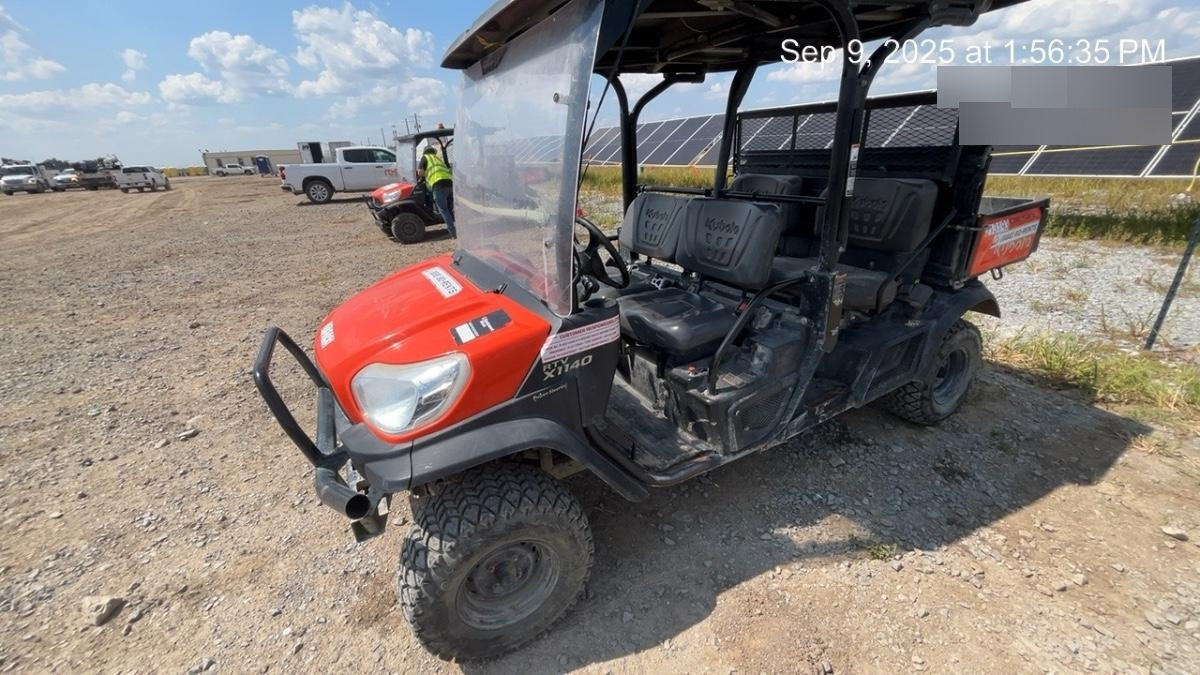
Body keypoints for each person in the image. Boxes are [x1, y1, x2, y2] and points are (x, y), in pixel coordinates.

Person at [418, 143, 455, 237]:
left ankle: (453, 233)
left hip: (438, 185)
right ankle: (460, 229)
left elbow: (420, 172)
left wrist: (422, 177)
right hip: (450, 184)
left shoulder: (425, 157)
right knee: (451, 208)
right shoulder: (438, 158)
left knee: (444, 210)